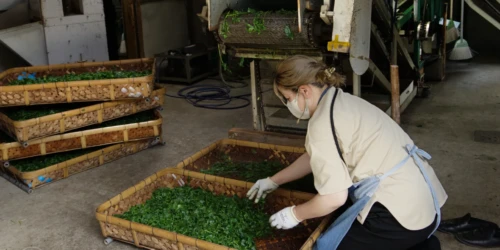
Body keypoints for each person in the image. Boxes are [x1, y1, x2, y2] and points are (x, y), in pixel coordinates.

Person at [246, 55, 448, 250]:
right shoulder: (341, 101)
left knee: (326, 246)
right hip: (426, 201)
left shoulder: (323, 124)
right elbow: (314, 157)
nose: (288, 104)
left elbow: (334, 198)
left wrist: (294, 214)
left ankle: (419, 245)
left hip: (399, 217)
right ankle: (422, 244)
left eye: (288, 98)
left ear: (304, 91)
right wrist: (274, 180)